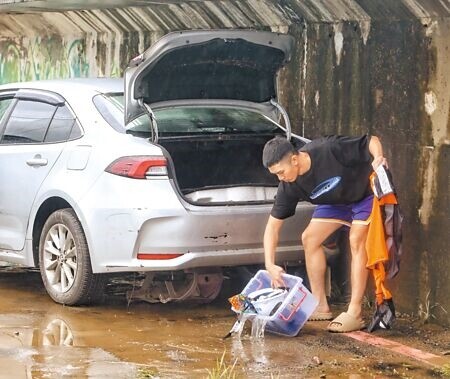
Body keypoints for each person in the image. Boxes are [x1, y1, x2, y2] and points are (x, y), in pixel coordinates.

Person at [262, 135, 387, 333]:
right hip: (335, 202)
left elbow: (371, 140)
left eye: (281, 172)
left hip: (365, 195)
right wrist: (269, 264)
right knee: (309, 238)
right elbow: (272, 227)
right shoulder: (289, 185)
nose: (280, 178)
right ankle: (320, 305)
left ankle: (355, 312)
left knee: (356, 239)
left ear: (294, 159)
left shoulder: (329, 148)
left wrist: (378, 158)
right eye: (275, 174)